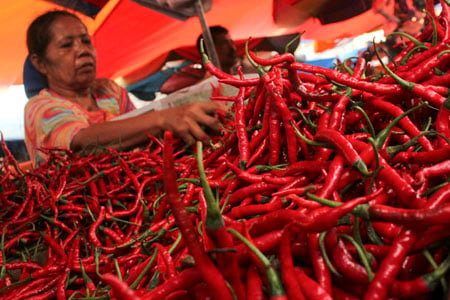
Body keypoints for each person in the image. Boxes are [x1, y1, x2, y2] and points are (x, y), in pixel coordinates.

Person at [24, 10, 228, 165]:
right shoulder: (40, 107)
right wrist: (163, 118)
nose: (82, 50)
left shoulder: (108, 91)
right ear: (40, 63)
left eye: (86, 41)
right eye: (66, 45)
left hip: (129, 195)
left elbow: (142, 137)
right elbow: (80, 142)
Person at [159, 25, 239, 94]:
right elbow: (167, 88)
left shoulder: (242, 74)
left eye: (231, 42)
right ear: (208, 51)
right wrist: (204, 83)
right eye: (224, 44)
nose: (233, 48)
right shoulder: (194, 75)